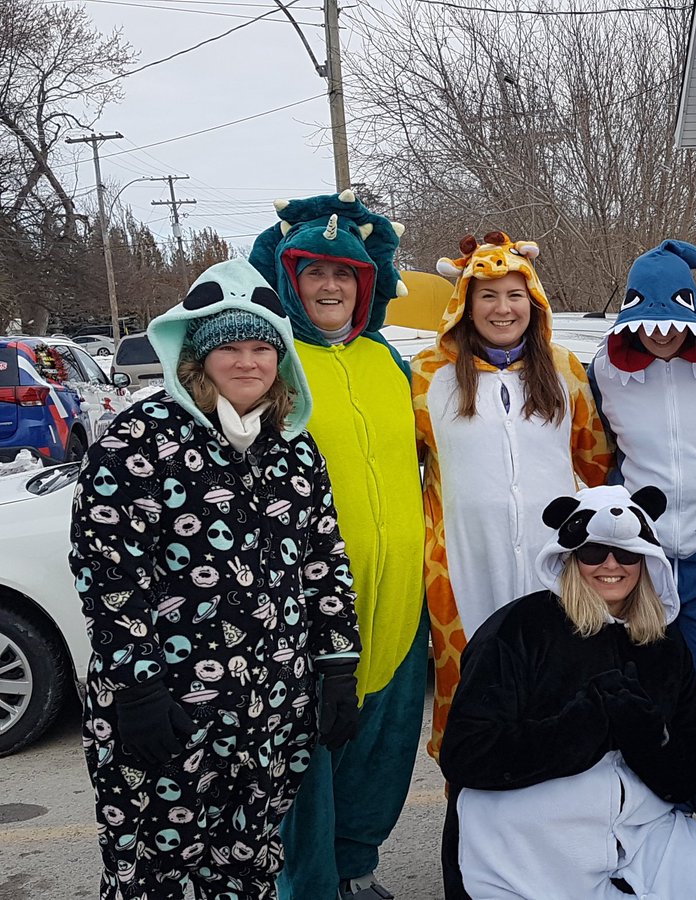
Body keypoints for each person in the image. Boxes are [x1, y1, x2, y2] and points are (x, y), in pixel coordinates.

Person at [69, 258, 361, 900]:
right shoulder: (137, 441)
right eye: (230, 346)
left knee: (251, 863)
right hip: (169, 711)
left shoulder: (294, 448)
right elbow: (106, 570)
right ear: (198, 358)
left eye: (262, 347)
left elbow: (324, 560)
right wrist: (137, 690)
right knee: (155, 873)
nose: (248, 362)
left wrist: (338, 666)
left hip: (270, 710)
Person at [440, 484, 696, 899]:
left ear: (646, 562)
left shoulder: (663, 643)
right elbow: (466, 753)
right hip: (529, 834)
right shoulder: (520, 628)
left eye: (626, 554)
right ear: (570, 557)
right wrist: (583, 726)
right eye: (593, 552)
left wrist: (645, 737)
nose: (611, 565)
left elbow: (690, 764)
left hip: (642, 831)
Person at [249, 190, 427, 900]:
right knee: (310, 754)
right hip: (312, 603)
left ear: (367, 284)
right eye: (315, 272)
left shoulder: (390, 363)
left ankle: (356, 866)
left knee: (384, 742)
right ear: (290, 278)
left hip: (400, 595)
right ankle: (310, 885)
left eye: (345, 274)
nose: (330, 286)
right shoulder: (273, 362)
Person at [412, 230, 612, 759]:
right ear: (466, 303)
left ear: (534, 300)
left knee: (563, 692)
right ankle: (472, 818)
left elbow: (594, 465)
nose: (503, 309)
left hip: (557, 567)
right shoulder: (427, 375)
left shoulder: (566, 368)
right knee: (473, 706)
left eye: (514, 295)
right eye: (488, 295)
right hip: (464, 569)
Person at [587, 239, 696, 829]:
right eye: (646, 324)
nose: (659, 336)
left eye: (672, 323)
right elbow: (598, 447)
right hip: (640, 562)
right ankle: (658, 819)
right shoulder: (603, 368)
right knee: (647, 700)